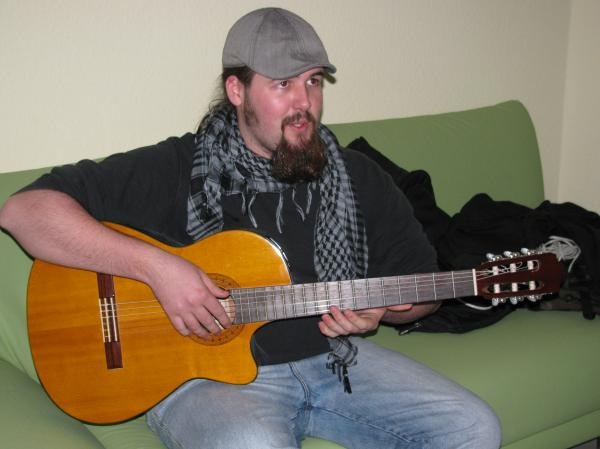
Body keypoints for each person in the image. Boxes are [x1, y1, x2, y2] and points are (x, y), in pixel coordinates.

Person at [0, 7, 501, 449]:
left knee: (472, 428)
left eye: (313, 81)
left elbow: (422, 290)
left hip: (332, 359)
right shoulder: (178, 167)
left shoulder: (358, 177)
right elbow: (23, 211)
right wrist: (158, 269)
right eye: (282, 84)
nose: (304, 103)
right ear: (237, 90)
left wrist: (382, 312)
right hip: (203, 382)